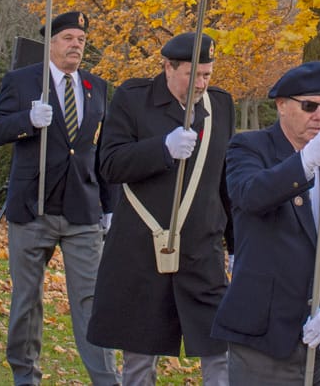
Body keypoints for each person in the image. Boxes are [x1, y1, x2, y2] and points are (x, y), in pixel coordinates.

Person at [87, 32, 235, 386]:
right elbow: (110, 164)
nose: (201, 84)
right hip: (142, 248)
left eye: (207, 75)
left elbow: (225, 181)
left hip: (202, 249)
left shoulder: (220, 105)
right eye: (193, 75)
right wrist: (162, 149)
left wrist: (236, 245)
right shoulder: (133, 98)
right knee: (140, 354)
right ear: (168, 67)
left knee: (220, 348)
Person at [211, 61, 320, 385]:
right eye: (309, 106)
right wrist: (305, 162)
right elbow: (250, 195)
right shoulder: (249, 148)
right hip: (263, 335)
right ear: (282, 106)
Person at [0, 11, 118, 386]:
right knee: (27, 299)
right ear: (52, 43)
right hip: (33, 207)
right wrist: (27, 120)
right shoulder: (22, 81)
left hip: (82, 210)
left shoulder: (95, 86)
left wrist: (109, 206)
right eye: (68, 38)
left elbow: (101, 150)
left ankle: (106, 378)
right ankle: (25, 373)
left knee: (91, 300)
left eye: (81, 39)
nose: (76, 45)